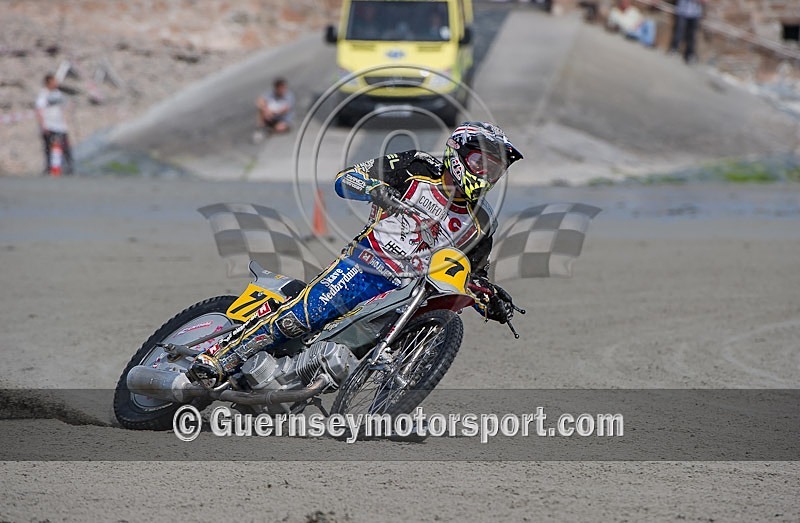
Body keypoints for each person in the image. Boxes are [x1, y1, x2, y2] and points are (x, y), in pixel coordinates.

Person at [187, 122, 524, 385]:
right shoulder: (416, 165)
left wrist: (489, 298)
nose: (485, 174)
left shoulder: (481, 224)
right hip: (365, 264)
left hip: (406, 295)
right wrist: (376, 189)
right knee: (301, 317)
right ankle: (220, 358)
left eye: (493, 169)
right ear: (458, 152)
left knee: (390, 343)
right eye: (480, 162)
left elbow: (468, 274)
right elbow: (347, 178)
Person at [35, 73, 73, 175]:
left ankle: (69, 167)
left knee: (66, 147)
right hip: (49, 125)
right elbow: (39, 110)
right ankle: (49, 167)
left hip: (60, 125)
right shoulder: (43, 94)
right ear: (48, 82)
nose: (56, 83)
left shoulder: (58, 94)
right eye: (53, 81)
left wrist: (66, 120)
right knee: (49, 148)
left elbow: (64, 107)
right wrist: (43, 126)